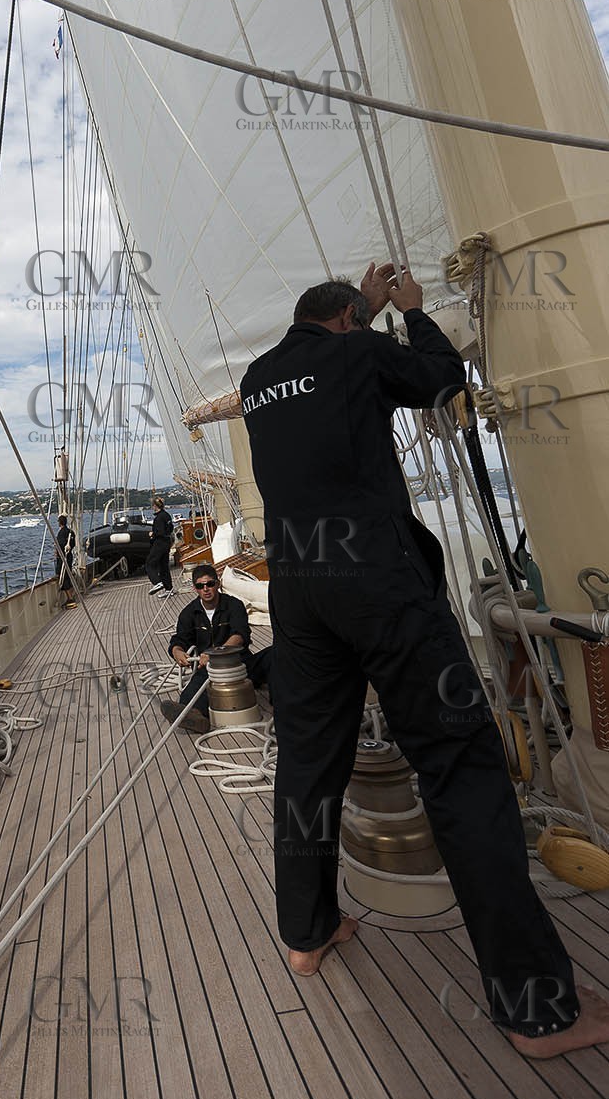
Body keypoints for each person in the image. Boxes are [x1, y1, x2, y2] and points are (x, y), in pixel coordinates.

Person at [240, 261, 609, 1056]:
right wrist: (409, 313)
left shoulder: (258, 377)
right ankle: (538, 1009)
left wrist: (362, 312)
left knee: (306, 764)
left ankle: (305, 933)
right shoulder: (357, 352)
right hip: (379, 586)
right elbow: (440, 381)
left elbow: (321, 372)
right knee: (459, 770)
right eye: (360, 317)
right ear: (349, 319)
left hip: (299, 592)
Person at [161, 564, 272, 731]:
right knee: (202, 677)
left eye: (210, 584)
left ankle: (284, 700)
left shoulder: (234, 605)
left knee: (274, 654)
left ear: (218, 584)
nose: (206, 589)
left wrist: (215, 653)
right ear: (194, 588)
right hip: (210, 669)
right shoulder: (189, 613)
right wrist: (177, 651)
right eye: (200, 586)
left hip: (241, 664)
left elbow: (240, 635)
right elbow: (180, 639)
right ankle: (192, 715)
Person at [146, 495, 174, 595]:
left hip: (159, 543)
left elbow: (160, 532)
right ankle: (169, 589)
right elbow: (170, 528)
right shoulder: (166, 515)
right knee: (163, 567)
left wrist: (152, 534)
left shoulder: (158, 518)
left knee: (150, 563)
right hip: (167, 543)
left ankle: (157, 582)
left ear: (155, 506)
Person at [55, 514, 77, 602]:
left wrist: (57, 551)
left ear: (60, 523)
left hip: (63, 557)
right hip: (69, 556)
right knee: (68, 574)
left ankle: (70, 598)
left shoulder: (61, 533)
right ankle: (72, 594)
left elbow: (60, 545)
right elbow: (73, 544)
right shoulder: (71, 532)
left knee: (63, 577)